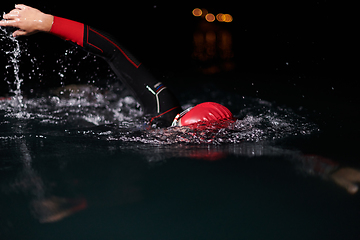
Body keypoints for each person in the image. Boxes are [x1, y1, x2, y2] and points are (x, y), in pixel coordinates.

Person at [0, 4, 234, 128]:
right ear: (180, 119)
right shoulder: (164, 110)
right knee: (80, 98)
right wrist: (46, 22)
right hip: (111, 105)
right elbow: (114, 51)